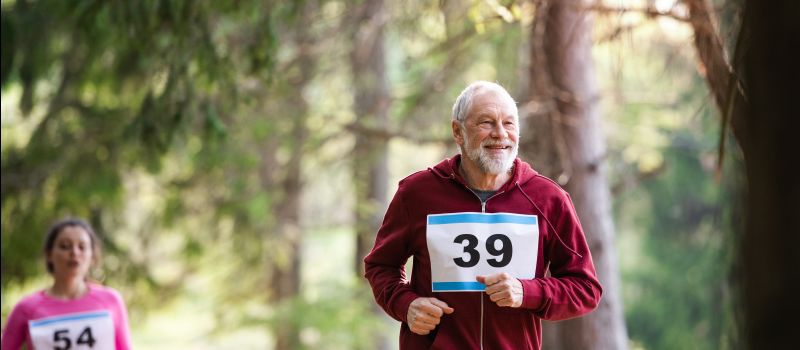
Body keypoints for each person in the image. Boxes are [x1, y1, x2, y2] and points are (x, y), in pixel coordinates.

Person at [364, 81, 602, 349]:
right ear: (458, 131)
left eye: (509, 123)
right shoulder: (417, 193)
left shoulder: (548, 199)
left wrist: (528, 291)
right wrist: (406, 305)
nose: (500, 134)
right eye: (486, 123)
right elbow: (380, 266)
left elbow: (585, 289)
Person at [1, 218, 132, 350]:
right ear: (49, 254)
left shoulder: (111, 301)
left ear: (92, 255)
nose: (74, 253)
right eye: (65, 246)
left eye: (82, 247)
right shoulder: (27, 308)